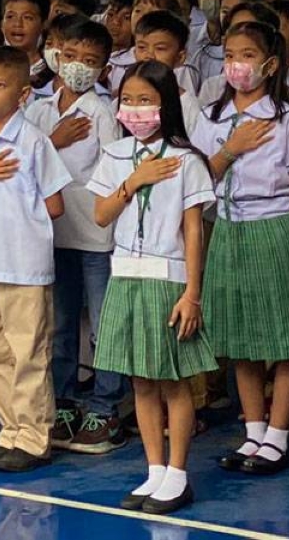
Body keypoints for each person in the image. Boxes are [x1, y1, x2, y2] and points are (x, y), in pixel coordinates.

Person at [88, 61, 217, 515]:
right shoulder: (116, 154)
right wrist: (133, 181)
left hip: (168, 279)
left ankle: (178, 474)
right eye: (128, 100)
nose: (135, 108)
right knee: (141, 381)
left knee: (174, 381)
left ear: (166, 104)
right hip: (124, 275)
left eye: (146, 100)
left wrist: (192, 293)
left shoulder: (187, 160)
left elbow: (194, 231)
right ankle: (155, 470)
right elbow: (101, 216)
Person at [189, 20, 289, 476]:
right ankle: (253, 432)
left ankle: (278, 437)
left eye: (248, 55)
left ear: (270, 64)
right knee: (241, 338)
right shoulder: (212, 117)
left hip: (273, 227)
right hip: (228, 229)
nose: (237, 64)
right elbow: (196, 179)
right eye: (231, 54)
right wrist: (230, 149)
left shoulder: (287, 120)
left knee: (286, 335)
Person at [0, 46, 72, 473]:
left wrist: (23, 219)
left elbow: (55, 204)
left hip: (23, 260)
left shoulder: (34, 141)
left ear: (22, 94)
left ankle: (35, 437)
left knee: (28, 350)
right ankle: (11, 430)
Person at [25, 20, 125, 454]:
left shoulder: (102, 112)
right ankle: (63, 401)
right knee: (62, 324)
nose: (78, 67)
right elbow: (23, 158)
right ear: (56, 55)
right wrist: (53, 140)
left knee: (104, 326)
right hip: (54, 235)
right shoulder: (39, 109)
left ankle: (105, 406)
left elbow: (113, 169)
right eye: (71, 56)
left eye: (90, 61)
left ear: (104, 69)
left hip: (97, 236)